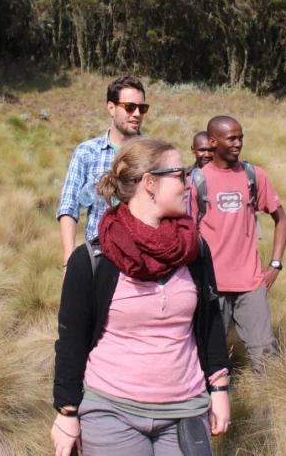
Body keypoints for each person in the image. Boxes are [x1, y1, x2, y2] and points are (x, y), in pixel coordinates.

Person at [52, 137, 231, 456]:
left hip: (186, 410)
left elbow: (210, 321)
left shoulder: (194, 250)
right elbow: (71, 341)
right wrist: (66, 413)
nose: (189, 183)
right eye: (180, 175)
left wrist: (219, 388)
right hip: (110, 411)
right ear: (150, 183)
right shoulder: (93, 259)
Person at [189, 116, 286, 375]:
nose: (238, 143)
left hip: (251, 284)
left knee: (266, 357)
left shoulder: (254, 175)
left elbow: (282, 220)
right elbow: (185, 235)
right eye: (231, 138)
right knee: (210, 358)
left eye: (240, 137)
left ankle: (267, 413)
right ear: (213, 142)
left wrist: (275, 265)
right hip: (212, 287)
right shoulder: (195, 182)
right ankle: (216, 411)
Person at [56, 75, 148, 268]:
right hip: (98, 257)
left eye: (142, 108)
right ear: (111, 108)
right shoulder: (87, 152)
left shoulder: (152, 153)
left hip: (142, 258)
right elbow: (69, 206)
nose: (137, 113)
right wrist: (69, 260)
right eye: (130, 107)